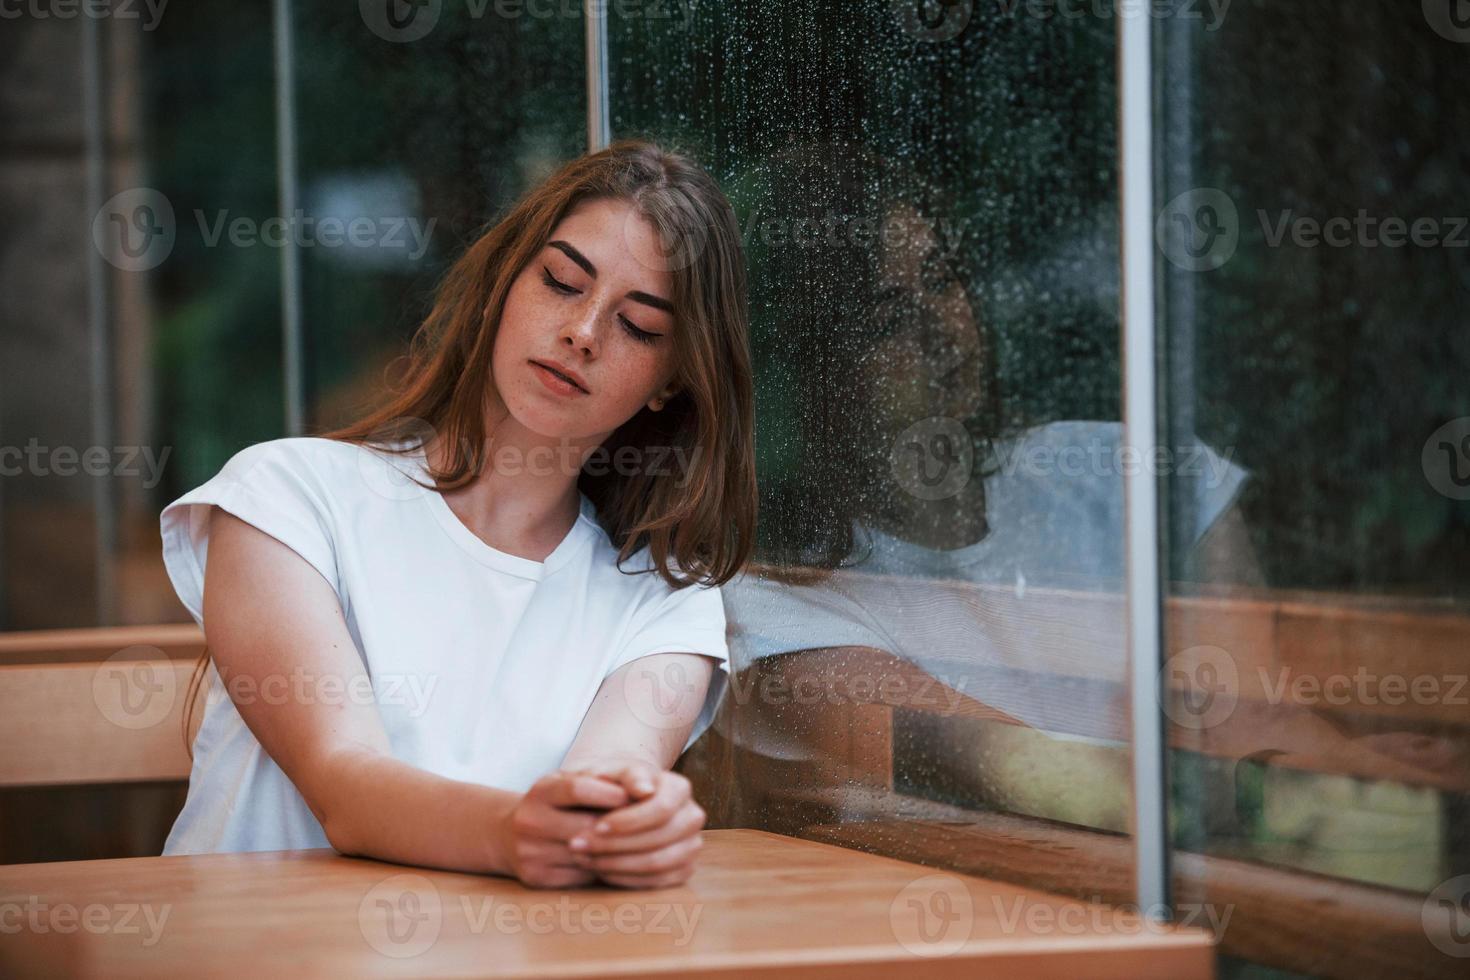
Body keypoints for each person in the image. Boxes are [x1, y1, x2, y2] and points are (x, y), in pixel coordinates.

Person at [159, 139, 757, 890]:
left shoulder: (662, 602)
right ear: (502, 284)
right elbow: (345, 785)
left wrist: (629, 829)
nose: (583, 332)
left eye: (638, 326)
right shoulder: (288, 496)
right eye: (563, 282)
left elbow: (600, 812)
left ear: (672, 381)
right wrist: (521, 833)